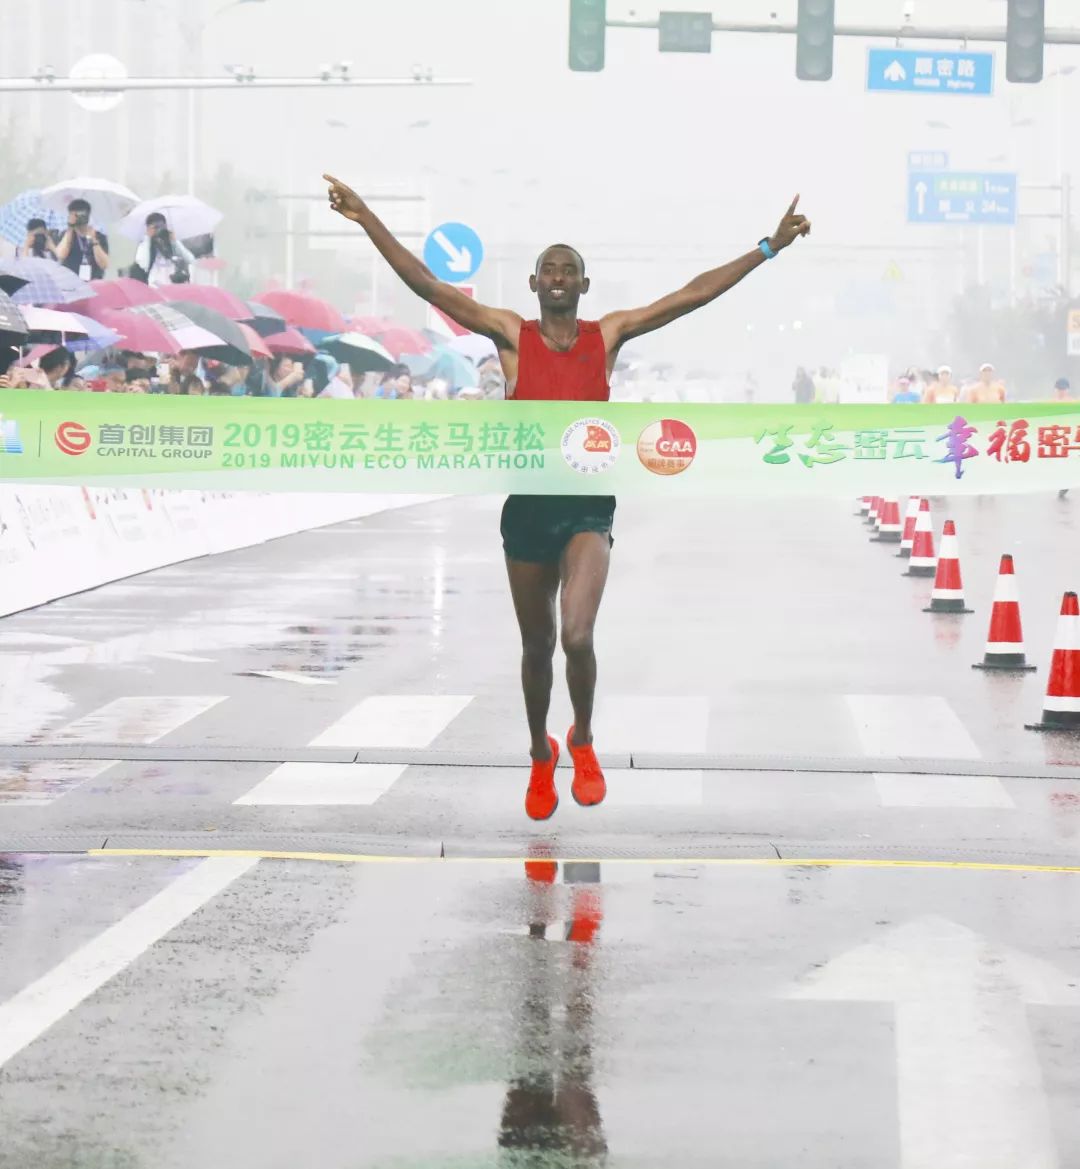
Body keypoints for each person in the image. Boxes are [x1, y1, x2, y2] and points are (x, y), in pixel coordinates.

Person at [325, 171, 811, 819]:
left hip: (587, 508)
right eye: (548, 269)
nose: (558, 276)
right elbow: (429, 285)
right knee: (537, 647)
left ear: (584, 285)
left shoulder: (606, 335)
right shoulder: (510, 334)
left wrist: (769, 247)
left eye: (569, 270)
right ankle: (539, 752)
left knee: (577, 637)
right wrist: (367, 217)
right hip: (528, 509)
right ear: (534, 284)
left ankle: (581, 738)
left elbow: (690, 296)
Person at [133, 213, 195, 287]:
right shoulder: (145, 245)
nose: (159, 230)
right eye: (156, 227)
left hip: (173, 284)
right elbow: (144, 265)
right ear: (149, 229)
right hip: (154, 286)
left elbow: (190, 259)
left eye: (162, 226)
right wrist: (148, 238)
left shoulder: (170, 242)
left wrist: (175, 242)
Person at [54, 199, 109, 281]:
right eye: (75, 215)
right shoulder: (65, 235)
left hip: (93, 282)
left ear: (88, 216)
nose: (78, 218)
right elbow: (60, 255)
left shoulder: (99, 236)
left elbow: (104, 265)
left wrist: (94, 240)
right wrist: (70, 228)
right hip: (70, 281)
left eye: (81, 215)